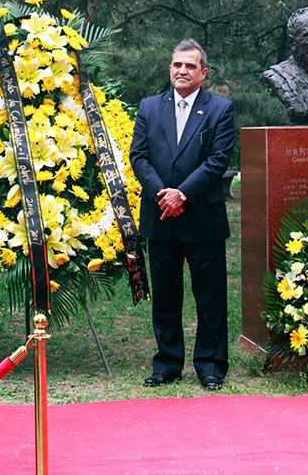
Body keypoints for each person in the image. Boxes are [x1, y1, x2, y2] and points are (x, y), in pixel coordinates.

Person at [130, 39, 236, 390]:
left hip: (202, 218)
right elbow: (139, 157)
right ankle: (167, 364)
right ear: (170, 69)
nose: (182, 71)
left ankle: (210, 365)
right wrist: (164, 195)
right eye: (177, 64)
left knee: (209, 298)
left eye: (190, 66)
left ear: (203, 73)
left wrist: (183, 194)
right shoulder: (148, 108)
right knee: (165, 297)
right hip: (161, 217)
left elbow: (218, 160)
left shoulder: (220, 109)